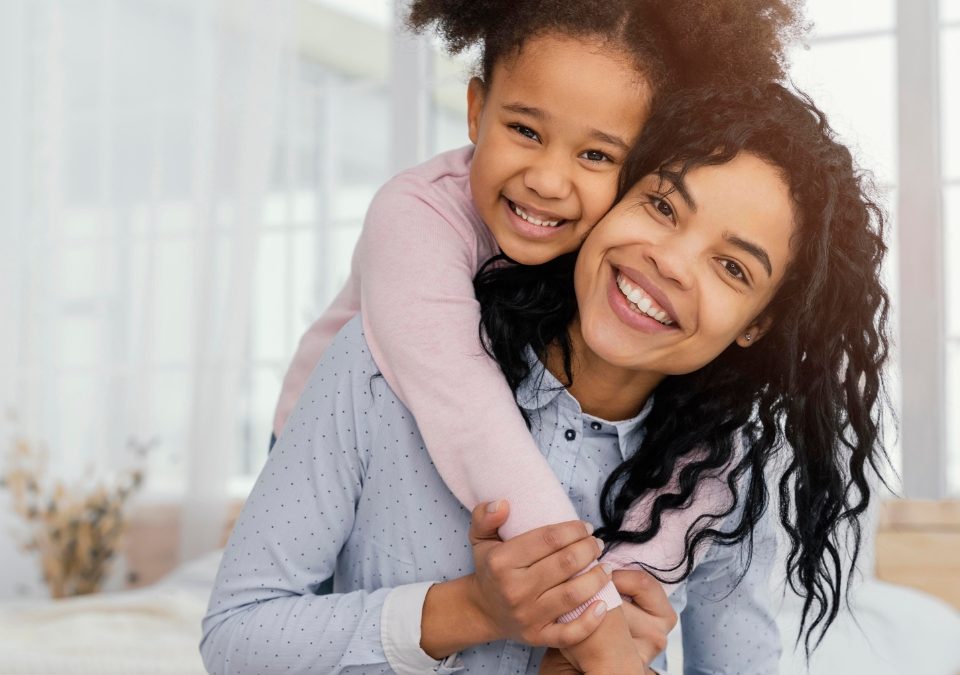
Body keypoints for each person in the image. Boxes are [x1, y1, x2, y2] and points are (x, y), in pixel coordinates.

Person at [201, 82, 890, 673]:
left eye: (732, 267)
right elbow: (235, 634)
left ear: (756, 324)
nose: (672, 262)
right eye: (662, 206)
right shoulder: (381, 366)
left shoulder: (723, 486)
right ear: (616, 195)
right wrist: (469, 610)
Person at [268, 0, 802, 658]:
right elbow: (466, 406)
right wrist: (598, 625)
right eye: (525, 130)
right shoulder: (414, 218)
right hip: (335, 427)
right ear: (475, 111)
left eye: (598, 154)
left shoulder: (702, 445)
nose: (550, 180)